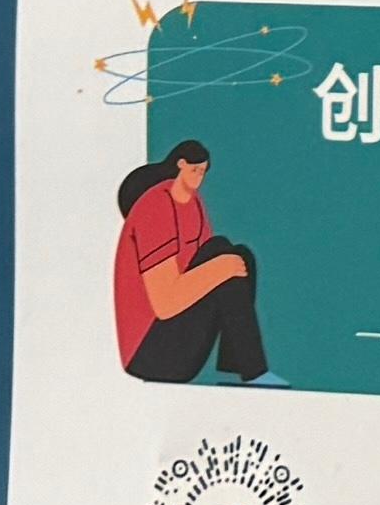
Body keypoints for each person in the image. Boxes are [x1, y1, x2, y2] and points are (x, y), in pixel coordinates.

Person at [111, 142, 277, 387]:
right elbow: (165, 304)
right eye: (194, 170)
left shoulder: (193, 202)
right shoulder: (156, 205)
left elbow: (207, 270)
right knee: (223, 254)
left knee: (240, 256)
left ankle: (238, 366)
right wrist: (222, 268)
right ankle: (254, 372)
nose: (199, 178)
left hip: (179, 347)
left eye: (203, 172)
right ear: (180, 165)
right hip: (150, 356)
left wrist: (224, 267)